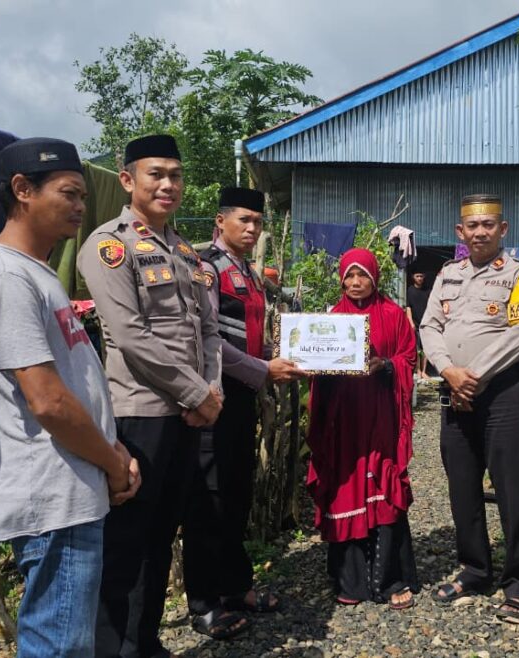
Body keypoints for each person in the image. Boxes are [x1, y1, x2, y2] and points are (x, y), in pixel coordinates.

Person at [0, 137, 141, 658]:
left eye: (84, 195)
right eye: (69, 193)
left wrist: (113, 454)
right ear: (22, 190)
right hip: (50, 494)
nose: (82, 207)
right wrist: (112, 462)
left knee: (67, 641)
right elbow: (48, 402)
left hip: (71, 486)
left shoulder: (37, 273)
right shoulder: (4, 277)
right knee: (59, 646)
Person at [78, 134, 223, 658]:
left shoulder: (185, 250)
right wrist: (195, 394)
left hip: (188, 414)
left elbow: (209, 331)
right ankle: (113, 647)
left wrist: (211, 391)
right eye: (155, 174)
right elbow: (130, 335)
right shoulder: (109, 246)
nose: (168, 184)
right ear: (127, 180)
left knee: (162, 536)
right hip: (141, 413)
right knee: (128, 542)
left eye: (175, 175)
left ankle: (146, 643)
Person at [182, 187, 307, 638]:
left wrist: (283, 354)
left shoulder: (249, 274)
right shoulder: (208, 270)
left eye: (258, 222)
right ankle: (203, 601)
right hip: (216, 396)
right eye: (244, 221)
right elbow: (210, 342)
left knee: (236, 494)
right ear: (220, 222)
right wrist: (262, 368)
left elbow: (249, 336)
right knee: (208, 499)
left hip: (243, 396)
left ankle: (235, 586)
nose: (253, 229)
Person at [419, 194, 519, 624]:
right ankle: (474, 569)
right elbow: (429, 325)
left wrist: (471, 374)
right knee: (462, 487)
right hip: (455, 392)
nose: (480, 232)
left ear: (503, 229)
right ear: (460, 231)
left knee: (513, 490)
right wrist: (449, 371)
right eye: (472, 226)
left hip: (504, 394)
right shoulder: (447, 275)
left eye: (488, 225)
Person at [306, 248, 420, 610]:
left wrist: (386, 365)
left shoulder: (393, 316)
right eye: (349, 277)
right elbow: (313, 358)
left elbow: (408, 357)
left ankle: (391, 579)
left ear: (375, 277)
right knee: (346, 486)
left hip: (381, 417)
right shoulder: (332, 319)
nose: (356, 283)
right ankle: (350, 580)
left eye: (363, 276)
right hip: (343, 421)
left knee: (382, 486)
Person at [405, 270, 431, 380]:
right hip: (415, 323)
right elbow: (408, 307)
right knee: (417, 349)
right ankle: (418, 370)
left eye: (421, 276)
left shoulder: (428, 291)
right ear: (413, 277)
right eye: (417, 276)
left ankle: (424, 371)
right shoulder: (410, 291)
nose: (419, 278)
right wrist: (410, 322)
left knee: (426, 349)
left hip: (426, 323)